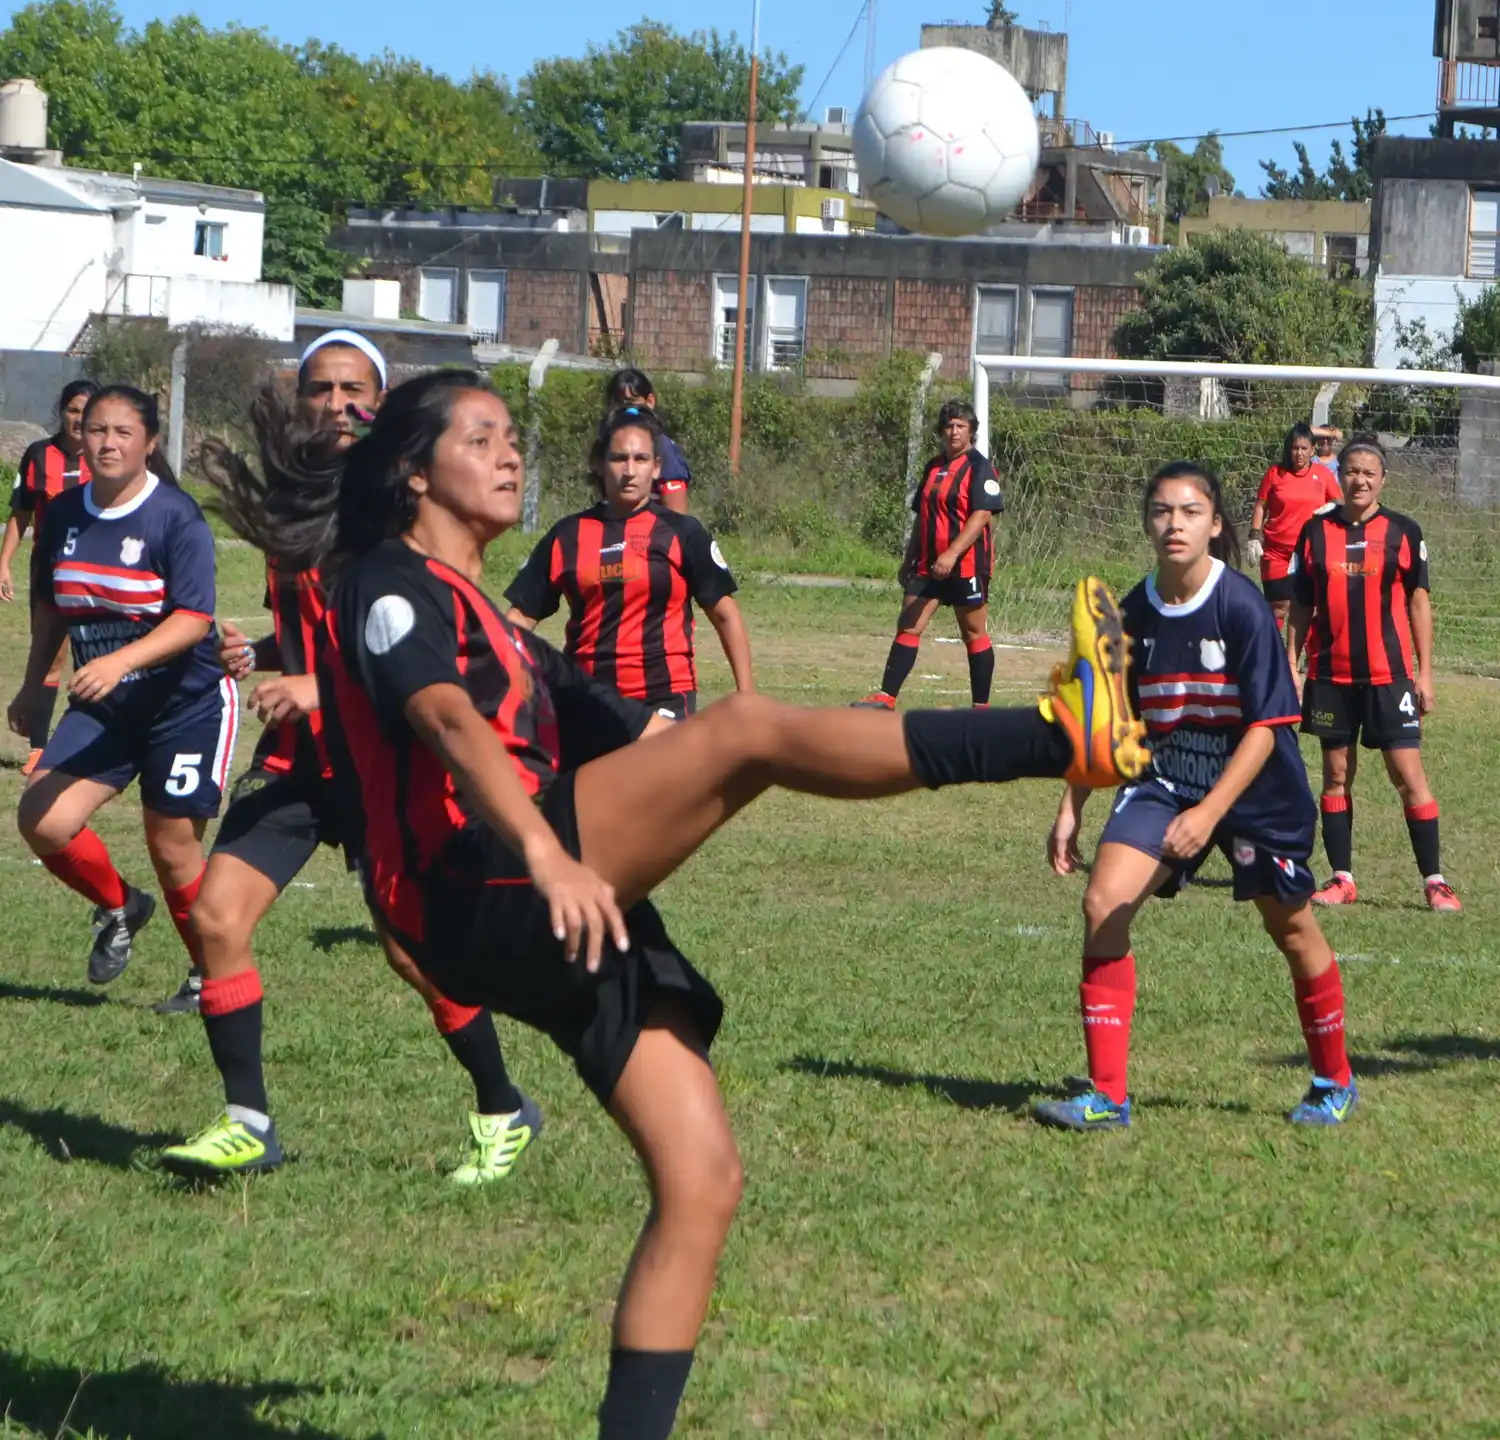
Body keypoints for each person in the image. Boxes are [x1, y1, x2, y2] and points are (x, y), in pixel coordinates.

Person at [203, 366, 1149, 1440]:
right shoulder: (386, 582)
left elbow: (632, 733)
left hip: (547, 894)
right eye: (482, 438)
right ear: (416, 474)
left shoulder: (504, 626)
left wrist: (665, 766)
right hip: (480, 882)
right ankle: (1057, 734)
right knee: (746, 733)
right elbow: (446, 724)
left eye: (515, 435)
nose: (513, 453)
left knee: (702, 1180)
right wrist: (549, 855)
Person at [160, 330, 541, 1185]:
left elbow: (436, 651)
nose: (337, 403)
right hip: (299, 764)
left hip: (386, 763)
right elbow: (319, 634)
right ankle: (248, 1121)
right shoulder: (296, 513)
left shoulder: (408, 515)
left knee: (415, 954)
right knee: (217, 916)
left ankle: (502, 1105)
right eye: (321, 389)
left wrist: (320, 690)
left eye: (354, 388)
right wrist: (262, 655)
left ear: (384, 402)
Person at [1037, 460, 1358, 1133]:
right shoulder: (1131, 612)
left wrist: (1209, 813)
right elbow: (1107, 723)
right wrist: (1072, 808)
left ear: (1215, 525)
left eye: (1189, 512)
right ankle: (1107, 1096)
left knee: (1291, 927)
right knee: (1103, 904)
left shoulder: (1238, 604)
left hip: (1253, 788)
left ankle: (1334, 1077)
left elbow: (1271, 729)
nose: (1173, 523)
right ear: (1147, 522)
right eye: (1161, 511)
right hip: (1163, 780)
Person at [6, 386, 236, 992]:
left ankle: (209, 978)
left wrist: (121, 661)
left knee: (173, 850)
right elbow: (52, 611)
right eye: (96, 430)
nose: (107, 442)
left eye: (123, 432)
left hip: (183, 706)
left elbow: (193, 619)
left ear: (149, 444)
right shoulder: (62, 513)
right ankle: (120, 906)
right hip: (105, 707)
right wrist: (34, 688)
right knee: (42, 819)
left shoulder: (175, 516)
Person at [1287, 434, 1460, 912]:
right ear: (1338, 476)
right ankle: (1342, 878)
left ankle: (1435, 881)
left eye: (1368, 472)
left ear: (1382, 479)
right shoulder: (1315, 533)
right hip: (1330, 677)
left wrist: (1425, 674)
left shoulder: (1404, 531)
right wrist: (1292, 666)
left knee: (1408, 775)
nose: (1359, 479)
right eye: (1351, 471)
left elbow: (1419, 605)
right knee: (1336, 775)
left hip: (1390, 678)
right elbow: (1301, 605)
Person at [505, 405, 753, 718]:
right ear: (598, 463)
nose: (630, 470)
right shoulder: (567, 536)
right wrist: (496, 677)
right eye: (619, 458)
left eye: (641, 459)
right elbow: (520, 618)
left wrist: (747, 696)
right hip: (587, 699)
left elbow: (725, 615)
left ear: (657, 467)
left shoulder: (682, 533)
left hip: (663, 699)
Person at [854, 399, 1004, 711]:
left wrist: (951, 554)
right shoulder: (933, 467)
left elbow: (981, 516)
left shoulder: (980, 467)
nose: (954, 431)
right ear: (941, 430)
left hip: (966, 566)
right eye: (949, 426)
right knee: (908, 625)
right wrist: (909, 558)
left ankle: (981, 708)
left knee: (973, 631)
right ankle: (886, 697)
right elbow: (922, 516)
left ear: (971, 431)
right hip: (927, 564)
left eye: (961, 426)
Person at [1, 379, 99, 775]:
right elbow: (21, 513)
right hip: (49, 572)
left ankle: (97, 742)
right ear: (61, 411)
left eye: (87, 411)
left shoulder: (107, 455)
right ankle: (40, 749)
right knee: (49, 656)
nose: (79, 419)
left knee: (98, 656)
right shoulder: (38, 455)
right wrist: (4, 561)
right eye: (73, 409)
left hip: (98, 571)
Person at [1246, 421, 1341, 637]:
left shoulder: (1323, 475)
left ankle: (1308, 659)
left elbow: (1339, 502)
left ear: (1312, 450)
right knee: (1279, 605)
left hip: (1310, 551)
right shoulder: (1275, 473)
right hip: (1276, 552)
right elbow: (1261, 505)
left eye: (1304, 448)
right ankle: (1270, 651)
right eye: (1295, 448)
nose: (1299, 453)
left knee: (1310, 606)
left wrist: (1333, 507)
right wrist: (1254, 536)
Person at [604, 368, 691, 513]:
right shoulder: (607, 443)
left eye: (631, 403)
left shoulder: (662, 447)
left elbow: (678, 518)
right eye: (618, 404)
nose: (625, 410)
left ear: (649, 401)